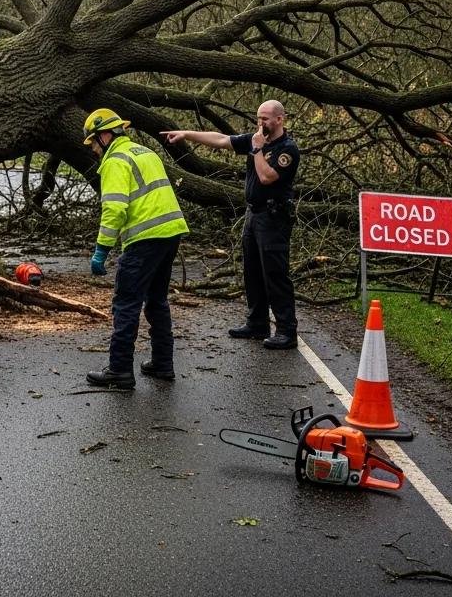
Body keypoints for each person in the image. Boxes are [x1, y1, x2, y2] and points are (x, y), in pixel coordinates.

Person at [161, 100, 300, 350]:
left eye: (266, 118)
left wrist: (257, 151)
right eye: (258, 118)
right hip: (253, 214)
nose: (261, 123)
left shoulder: (286, 148)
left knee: (275, 273)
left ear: (280, 119)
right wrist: (186, 134)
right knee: (252, 271)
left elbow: (268, 177)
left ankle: (287, 331)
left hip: (274, 216)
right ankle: (257, 323)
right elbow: (222, 139)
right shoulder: (257, 139)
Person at [82, 108, 189, 389]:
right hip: (170, 232)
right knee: (157, 300)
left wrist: (101, 249)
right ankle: (163, 364)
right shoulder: (145, 152)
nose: (94, 149)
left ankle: (119, 371)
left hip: (144, 238)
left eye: (94, 142)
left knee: (126, 302)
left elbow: (115, 208)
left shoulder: (115, 160)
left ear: (105, 135)